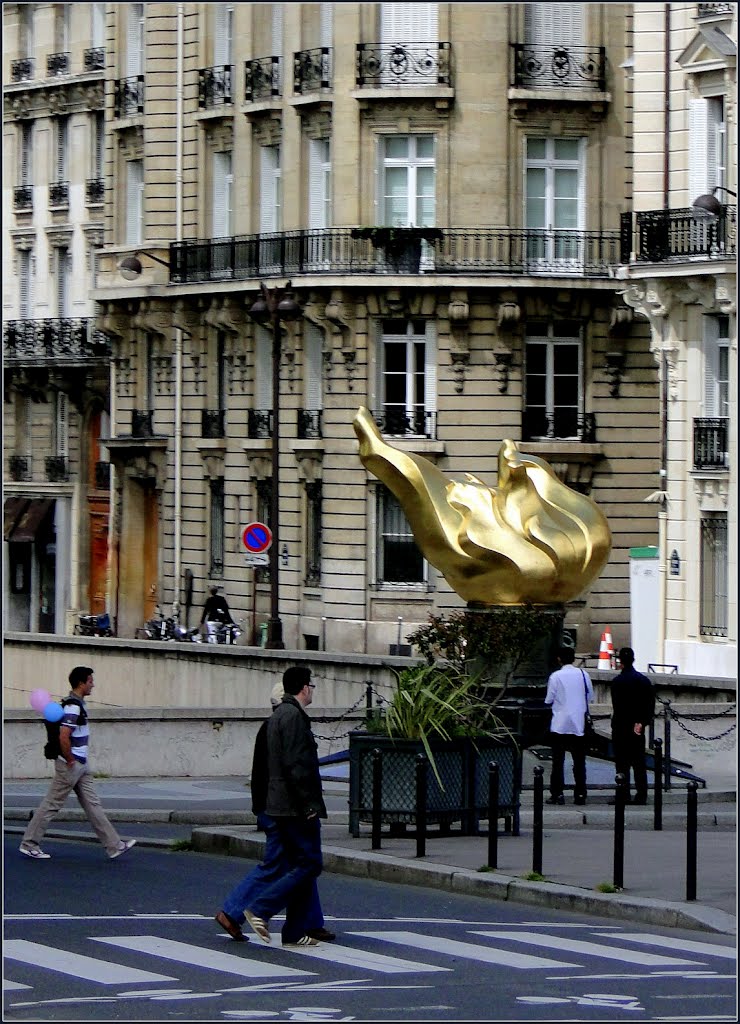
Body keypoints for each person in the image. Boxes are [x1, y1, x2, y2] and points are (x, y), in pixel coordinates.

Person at [215, 681, 334, 944]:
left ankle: (309, 922)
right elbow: (292, 771)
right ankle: (236, 912)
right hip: (282, 809)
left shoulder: (272, 724)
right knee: (283, 864)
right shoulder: (285, 725)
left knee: (300, 863)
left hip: (274, 807)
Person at [20, 666, 136, 860]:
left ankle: (114, 845)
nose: (93, 685)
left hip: (80, 764)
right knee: (52, 804)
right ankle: (29, 843)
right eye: (90, 681)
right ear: (81, 683)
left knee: (93, 805)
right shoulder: (73, 706)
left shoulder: (77, 704)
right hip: (71, 764)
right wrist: (71, 759)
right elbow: (64, 736)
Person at [544, 646, 593, 806]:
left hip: (560, 723)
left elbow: (549, 699)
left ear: (559, 659)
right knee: (579, 761)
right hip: (579, 723)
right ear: (573, 658)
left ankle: (557, 793)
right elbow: (590, 697)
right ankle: (580, 793)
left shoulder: (556, 676)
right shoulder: (583, 675)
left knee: (558, 761)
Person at [610, 647, 656, 805]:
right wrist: (642, 722)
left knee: (622, 763)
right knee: (638, 763)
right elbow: (650, 705)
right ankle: (641, 794)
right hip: (637, 727)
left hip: (621, 727)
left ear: (620, 662)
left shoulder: (617, 682)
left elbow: (617, 706)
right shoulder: (643, 681)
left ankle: (623, 793)